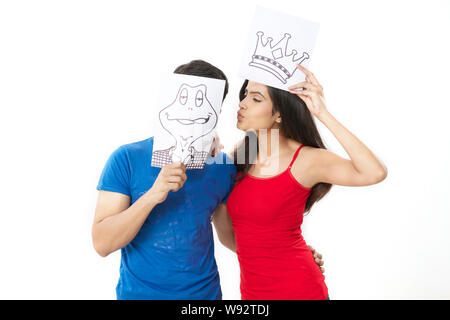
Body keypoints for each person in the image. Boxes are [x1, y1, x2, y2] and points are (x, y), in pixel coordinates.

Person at [92, 60, 324, 300]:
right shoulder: (126, 158)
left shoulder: (222, 167)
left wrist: (289, 253)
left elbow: (231, 237)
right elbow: (102, 244)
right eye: (184, 99)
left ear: (218, 112)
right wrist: (153, 195)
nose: (192, 110)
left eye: (205, 104)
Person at [215, 64, 388, 300]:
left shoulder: (306, 160)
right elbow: (234, 240)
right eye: (245, 94)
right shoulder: (237, 160)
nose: (242, 103)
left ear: (279, 114)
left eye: (256, 99)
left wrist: (322, 112)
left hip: (301, 291)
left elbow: (374, 173)